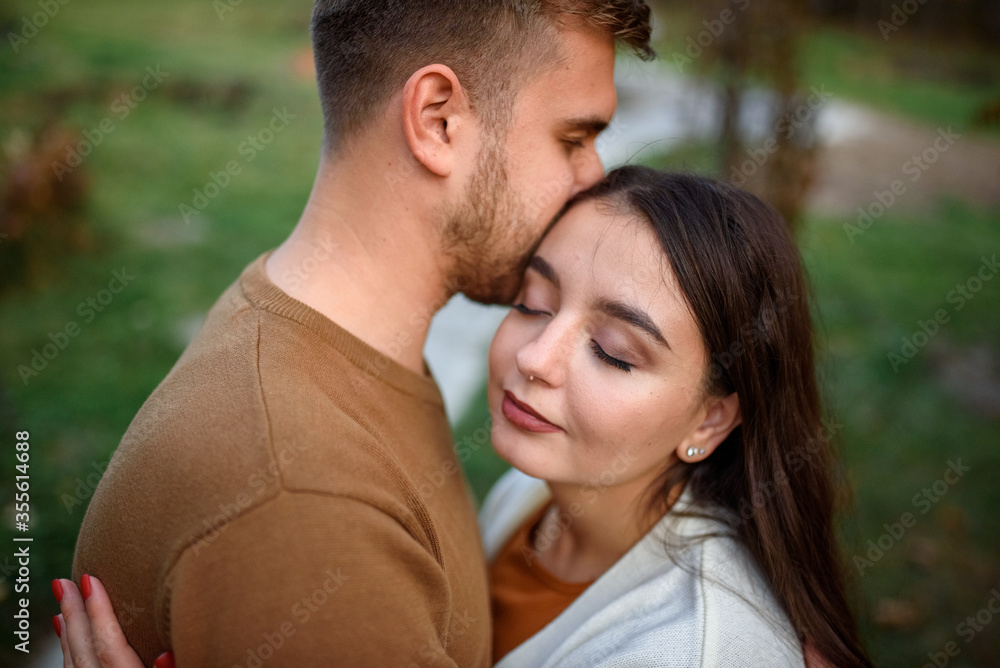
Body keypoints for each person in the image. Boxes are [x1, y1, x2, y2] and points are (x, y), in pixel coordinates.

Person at [55, 167, 872, 666]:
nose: (536, 357)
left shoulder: (687, 653)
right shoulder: (536, 495)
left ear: (713, 419)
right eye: (533, 302)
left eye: (615, 351)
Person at [54, 1, 655, 666]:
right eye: (572, 139)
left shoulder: (326, 342)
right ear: (438, 120)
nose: (593, 177)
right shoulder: (302, 507)